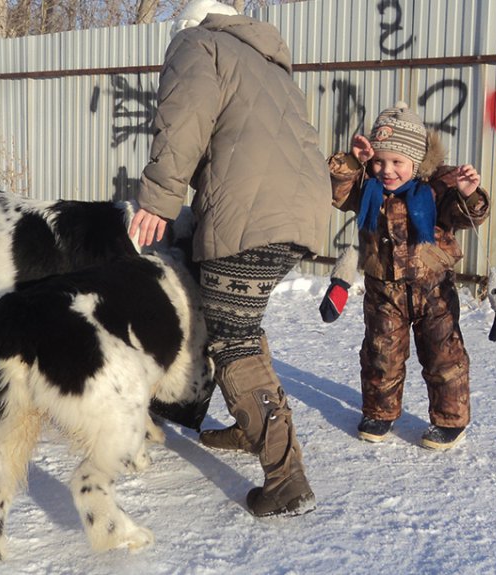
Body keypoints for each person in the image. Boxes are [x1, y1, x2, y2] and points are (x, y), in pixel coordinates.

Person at [129, 0, 332, 517]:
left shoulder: (197, 44)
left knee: (232, 339)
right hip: (301, 209)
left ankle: (286, 479)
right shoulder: (265, 60)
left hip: (250, 212)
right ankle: (252, 428)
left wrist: (158, 199)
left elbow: (183, 121)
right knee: (239, 323)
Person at [326, 101, 490, 450]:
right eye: (380, 161)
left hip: (434, 290)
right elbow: (337, 190)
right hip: (383, 290)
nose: (387, 170)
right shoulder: (366, 187)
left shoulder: (436, 190)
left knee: (443, 355)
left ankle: (450, 419)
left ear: (416, 163)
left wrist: (469, 194)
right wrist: (354, 162)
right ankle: (379, 412)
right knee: (380, 353)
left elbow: (468, 216)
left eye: (397, 162)